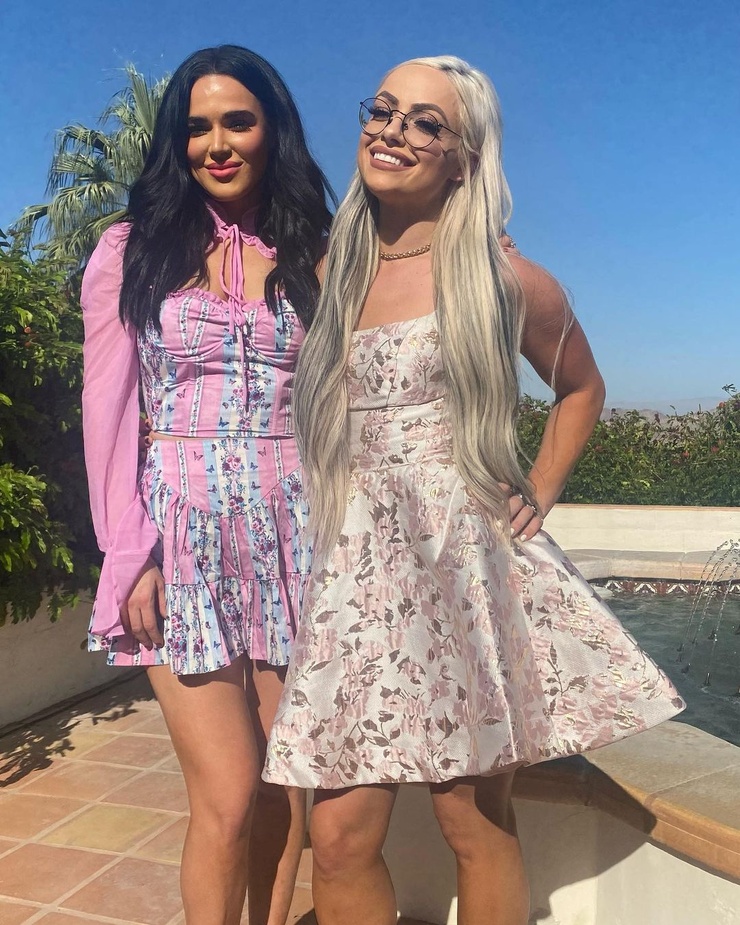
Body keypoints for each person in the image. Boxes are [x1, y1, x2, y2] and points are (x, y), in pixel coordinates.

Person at [263, 56, 685, 925]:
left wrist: (539, 489)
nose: (393, 131)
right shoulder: (331, 271)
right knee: (337, 835)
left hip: (460, 566)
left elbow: (582, 388)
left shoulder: (504, 277)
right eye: (384, 110)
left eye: (427, 122)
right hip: (354, 574)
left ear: (464, 157)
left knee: (472, 820)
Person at [81, 45, 333, 925]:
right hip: (178, 534)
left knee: (283, 786)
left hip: (297, 533)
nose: (216, 144)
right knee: (226, 792)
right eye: (196, 127)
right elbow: (107, 410)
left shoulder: (320, 251)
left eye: (237, 122)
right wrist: (129, 551)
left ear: (273, 130)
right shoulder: (130, 250)